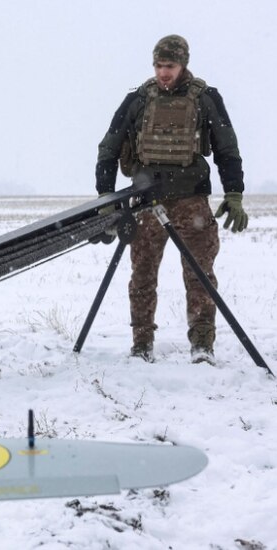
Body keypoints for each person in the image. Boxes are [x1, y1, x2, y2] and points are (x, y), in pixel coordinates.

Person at [94, 34, 249, 365]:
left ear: (184, 65)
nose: (164, 73)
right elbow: (108, 147)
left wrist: (234, 192)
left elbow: (227, 148)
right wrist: (105, 194)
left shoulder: (205, 99)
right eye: (159, 66)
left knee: (200, 274)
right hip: (147, 202)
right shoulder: (138, 100)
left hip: (191, 200)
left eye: (171, 66)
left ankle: (202, 343)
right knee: (143, 274)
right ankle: (141, 344)